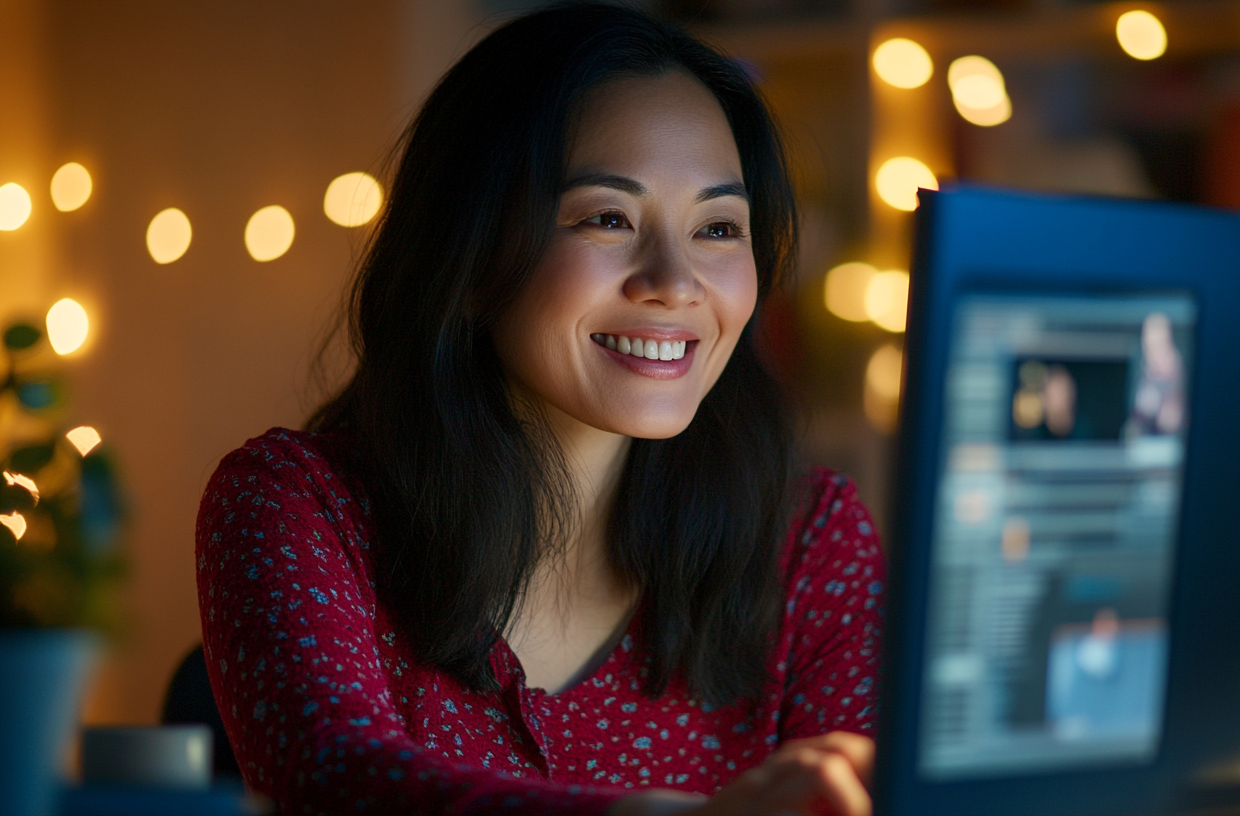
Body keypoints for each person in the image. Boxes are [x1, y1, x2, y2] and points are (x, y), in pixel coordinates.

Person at [194, 4, 884, 815]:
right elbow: (334, 782)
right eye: (608, 218)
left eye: (719, 228)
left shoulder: (809, 542)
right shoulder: (296, 504)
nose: (674, 280)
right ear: (476, 251)